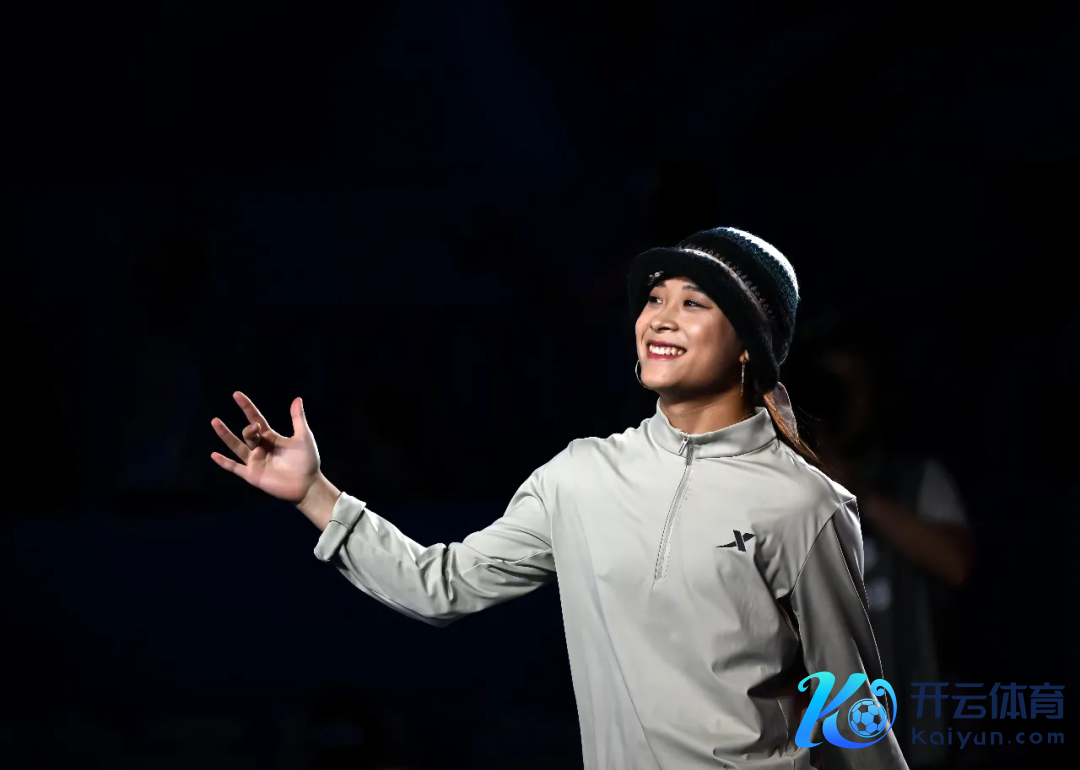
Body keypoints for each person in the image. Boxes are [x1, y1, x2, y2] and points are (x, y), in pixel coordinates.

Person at [209, 226, 908, 770]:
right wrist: (313, 492)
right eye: (655, 298)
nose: (660, 318)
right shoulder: (580, 475)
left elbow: (851, 707)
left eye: (693, 303)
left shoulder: (803, 503)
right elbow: (438, 585)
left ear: (749, 344)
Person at [796, 326, 975, 769]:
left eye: (854, 387)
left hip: (910, 731)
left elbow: (956, 564)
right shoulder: (785, 482)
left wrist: (857, 492)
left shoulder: (915, 479)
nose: (844, 403)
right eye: (831, 388)